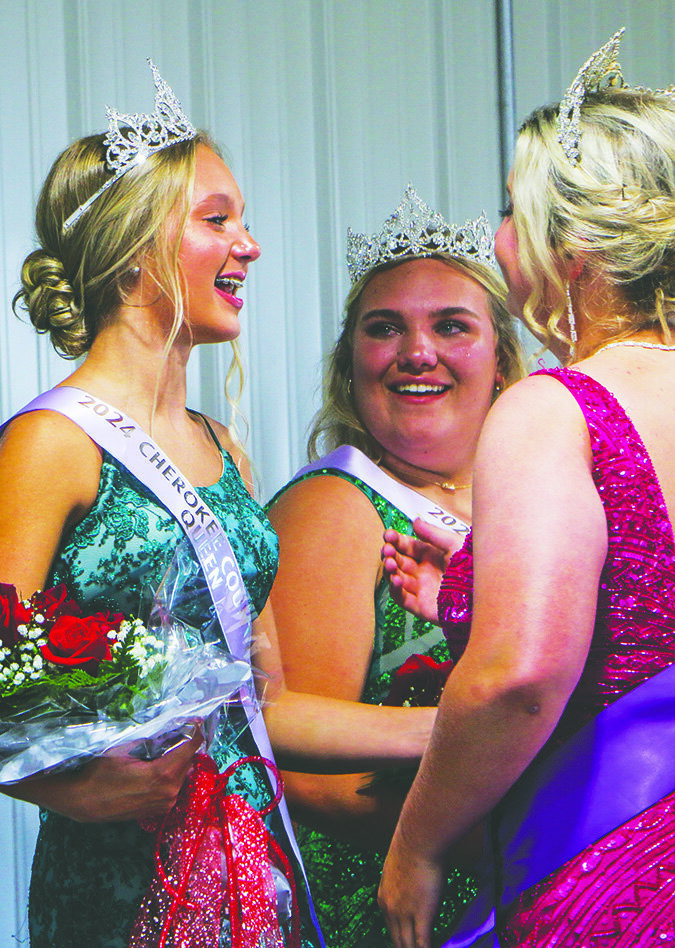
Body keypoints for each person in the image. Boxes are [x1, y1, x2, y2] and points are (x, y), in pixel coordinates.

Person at [0, 64, 447, 948]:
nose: (247, 244)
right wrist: (58, 786)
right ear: (135, 246)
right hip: (120, 874)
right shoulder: (51, 443)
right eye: (215, 221)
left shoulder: (223, 450)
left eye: (240, 221)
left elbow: (265, 701)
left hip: (252, 856)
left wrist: (458, 728)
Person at [379, 29, 675, 948]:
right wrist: (465, 594)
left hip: (620, 863)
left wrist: (416, 847)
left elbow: (520, 677)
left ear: (571, 246)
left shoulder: (557, 408)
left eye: (511, 211)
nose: (497, 241)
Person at [266, 187, 524, 947]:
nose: (417, 353)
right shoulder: (334, 508)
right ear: (350, 368)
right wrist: (479, 841)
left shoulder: (536, 504)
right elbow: (306, 775)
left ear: (503, 363)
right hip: (399, 904)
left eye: (451, 326)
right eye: (385, 330)